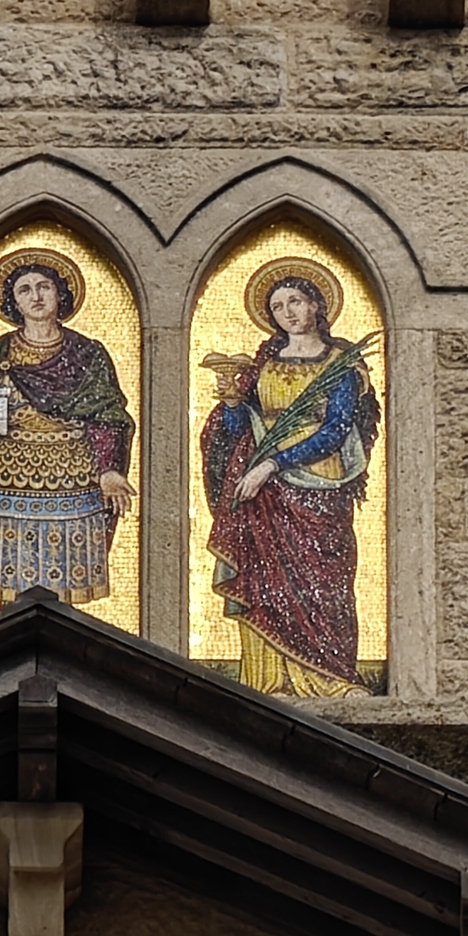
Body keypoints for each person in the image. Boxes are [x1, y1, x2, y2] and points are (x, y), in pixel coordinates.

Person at [199, 257, 380, 699]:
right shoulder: (263, 362)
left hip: (319, 482)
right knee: (265, 580)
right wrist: (231, 404)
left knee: (323, 579)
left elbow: (336, 430)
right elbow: (239, 428)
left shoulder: (341, 364)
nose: (288, 312)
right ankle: (268, 680)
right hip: (263, 490)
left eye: (296, 301)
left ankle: (332, 679)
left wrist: (275, 463)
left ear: (317, 305)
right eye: (278, 307)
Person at [0, 248, 136, 605]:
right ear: (14, 302)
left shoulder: (87, 353)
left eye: (44, 287)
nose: (35, 296)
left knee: (62, 583)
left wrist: (109, 469)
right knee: (11, 586)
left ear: (60, 294)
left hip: (71, 478)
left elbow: (109, 415)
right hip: (5, 479)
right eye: (25, 290)